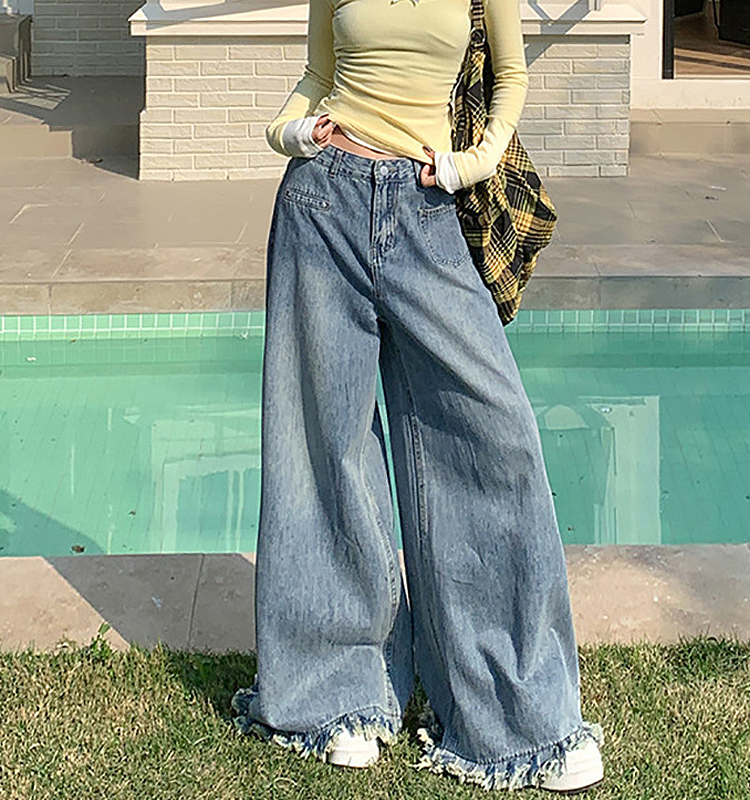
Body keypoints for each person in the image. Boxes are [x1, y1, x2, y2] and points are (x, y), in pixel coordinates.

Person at [231, 0, 604, 791]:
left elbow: (510, 76)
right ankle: (337, 696)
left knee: (493, 436)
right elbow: (318, 75)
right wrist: (290, 133)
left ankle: (518, 709)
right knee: (323, 443)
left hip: (427, 208)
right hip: (320, 205)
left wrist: (474, 163)